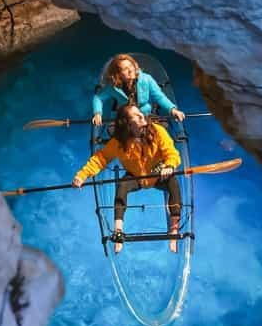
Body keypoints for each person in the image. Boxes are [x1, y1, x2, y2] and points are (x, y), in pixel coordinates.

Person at [73, 104, 182, 254]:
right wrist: (82, 175)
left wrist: (169, 165)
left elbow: (172, 153)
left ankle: (174, 230)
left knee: (173, 182)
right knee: (122, 186)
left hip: (156, 172)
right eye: (136, 116)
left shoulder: (158, 131)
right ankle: (118, 231)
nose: (141, 116)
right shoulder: (118, 142)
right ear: (128, 124)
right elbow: (101, 159)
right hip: (135, 175)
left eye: (140, 113)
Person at [92, 54, 185, 126]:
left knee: (160, 129)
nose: (130, 70)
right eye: (125, 69)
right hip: (125, 118)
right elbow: (98, 97)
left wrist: (172, 110)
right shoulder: (113, 86)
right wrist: (98, 113)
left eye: (131, 66)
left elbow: (159, 97)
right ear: (118, 74)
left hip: (145, 115)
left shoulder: (147, 79)